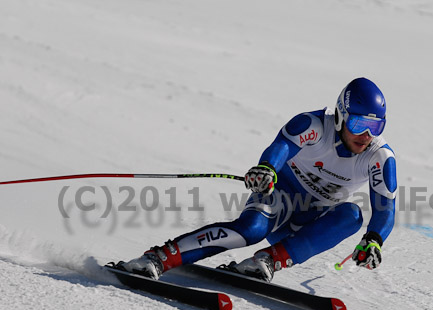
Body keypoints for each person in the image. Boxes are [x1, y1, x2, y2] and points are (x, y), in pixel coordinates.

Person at [115, 77, 397, 282]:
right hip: (281, 197)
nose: (366, 135)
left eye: (376, 126)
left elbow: (385, 207)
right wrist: (267, 169)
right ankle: (158, 258)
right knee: (251, 229)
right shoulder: (313, 126)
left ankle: (267, 261)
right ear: (340, 117)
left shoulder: (379, 157)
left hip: (310, 222)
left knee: (352, 215)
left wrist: (374, 239)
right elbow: (281, 147)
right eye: (359, 124)